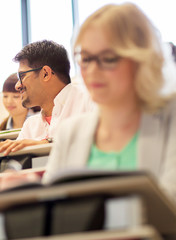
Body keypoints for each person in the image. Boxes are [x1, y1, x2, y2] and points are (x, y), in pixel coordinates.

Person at [40, 3, 176, 201]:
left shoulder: (171, 119)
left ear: (141, 60)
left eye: (109, 58)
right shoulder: (70, 132)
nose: (93, 70)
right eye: (85, 58)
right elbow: (52, 209)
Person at [0, 40, 94, 155]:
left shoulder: (90, 101)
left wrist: (47, 144)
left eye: (22, 76)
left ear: (46, 74)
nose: (17, 86)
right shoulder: (30, 126)